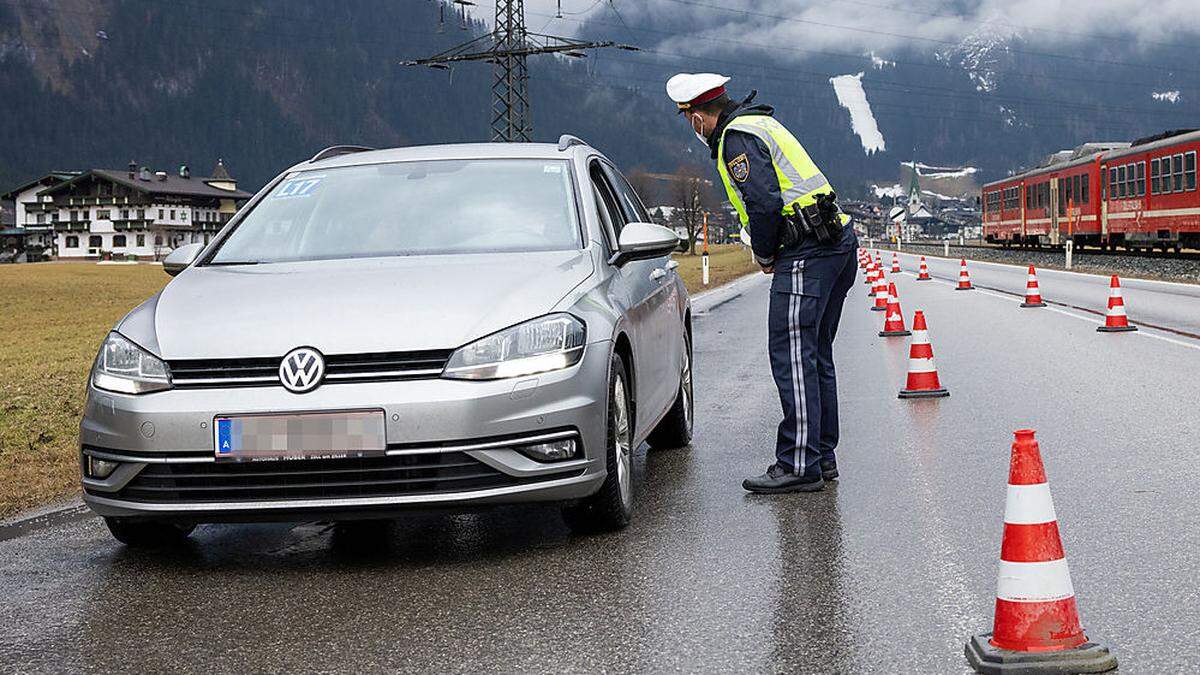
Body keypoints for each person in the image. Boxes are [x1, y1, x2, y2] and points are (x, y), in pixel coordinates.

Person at [666, 72, 859, 494]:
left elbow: (765, 202)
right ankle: (821, 456)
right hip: (835, 245)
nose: (691, 127)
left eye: (687, 119)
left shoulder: (736, 138)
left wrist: (767, 252)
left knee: (792, 354)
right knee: (814, 354)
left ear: (697, 116)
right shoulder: (759, 123)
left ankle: (799, 463)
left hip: (808, 251)